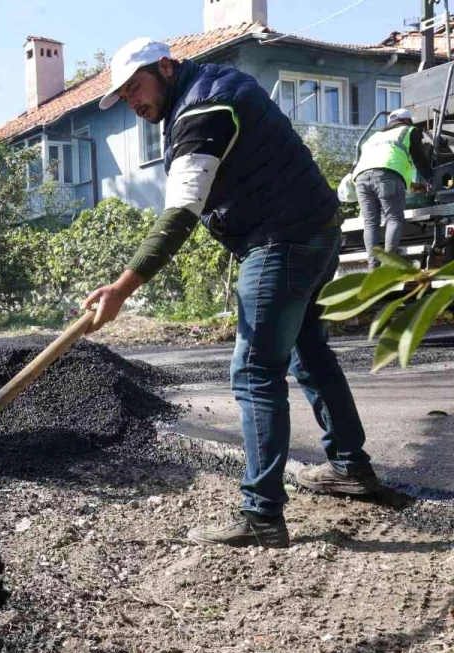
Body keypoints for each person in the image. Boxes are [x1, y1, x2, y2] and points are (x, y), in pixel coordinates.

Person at [83, 38, 379, 549]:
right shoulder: (217, 87)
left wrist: (122, 287)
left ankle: (262, 515)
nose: (133, 101)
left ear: (167, 67)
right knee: (308, 353)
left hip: (282, 240)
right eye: (125, 96)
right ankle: (352, 467)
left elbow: (180, 213)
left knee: (254, 372)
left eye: (136, 87)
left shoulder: (202, 110)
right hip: (313, 230)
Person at [353, 108, 433, 267]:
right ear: (408, 121)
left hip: (361, 179)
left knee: (370, 223)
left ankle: (373, 267)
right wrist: (431, 178)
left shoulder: (375, 136)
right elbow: (418, 160)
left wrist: (412, 185)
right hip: (387, 176)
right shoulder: (409, 130)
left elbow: (384, 162)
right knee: (394, 218)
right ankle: (388, 266)